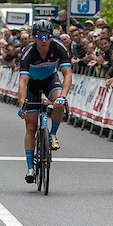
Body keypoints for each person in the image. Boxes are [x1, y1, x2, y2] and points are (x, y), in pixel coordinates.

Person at [17, 20, 72, 184]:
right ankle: (30, 168)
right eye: (40, 36)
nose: (43, 40)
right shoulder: (28, 53)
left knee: (59, 103)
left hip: (50, 80)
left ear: (51, 36)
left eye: (47, 36)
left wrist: (63, 95)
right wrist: (22, 105)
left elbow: (67, 74)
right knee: (31, 125)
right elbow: (23, 82)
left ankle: (53, 134)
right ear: (34, 37)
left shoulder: (59, 47)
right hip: (32, 85)